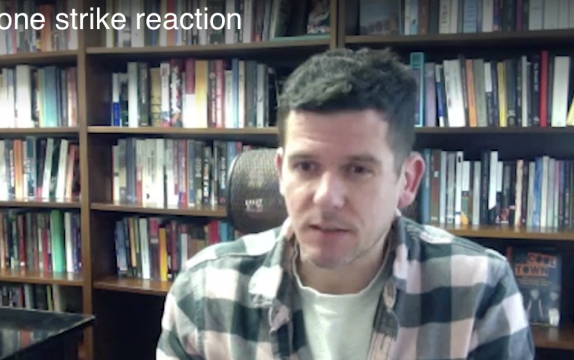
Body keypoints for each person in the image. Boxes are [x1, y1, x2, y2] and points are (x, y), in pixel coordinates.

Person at [156, 48, 535, 360]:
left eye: (357, 169)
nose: (326, 197)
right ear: (281, 172)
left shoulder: (479, 291)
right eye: (305, 166)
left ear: (407, 181)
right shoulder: (205, 289)